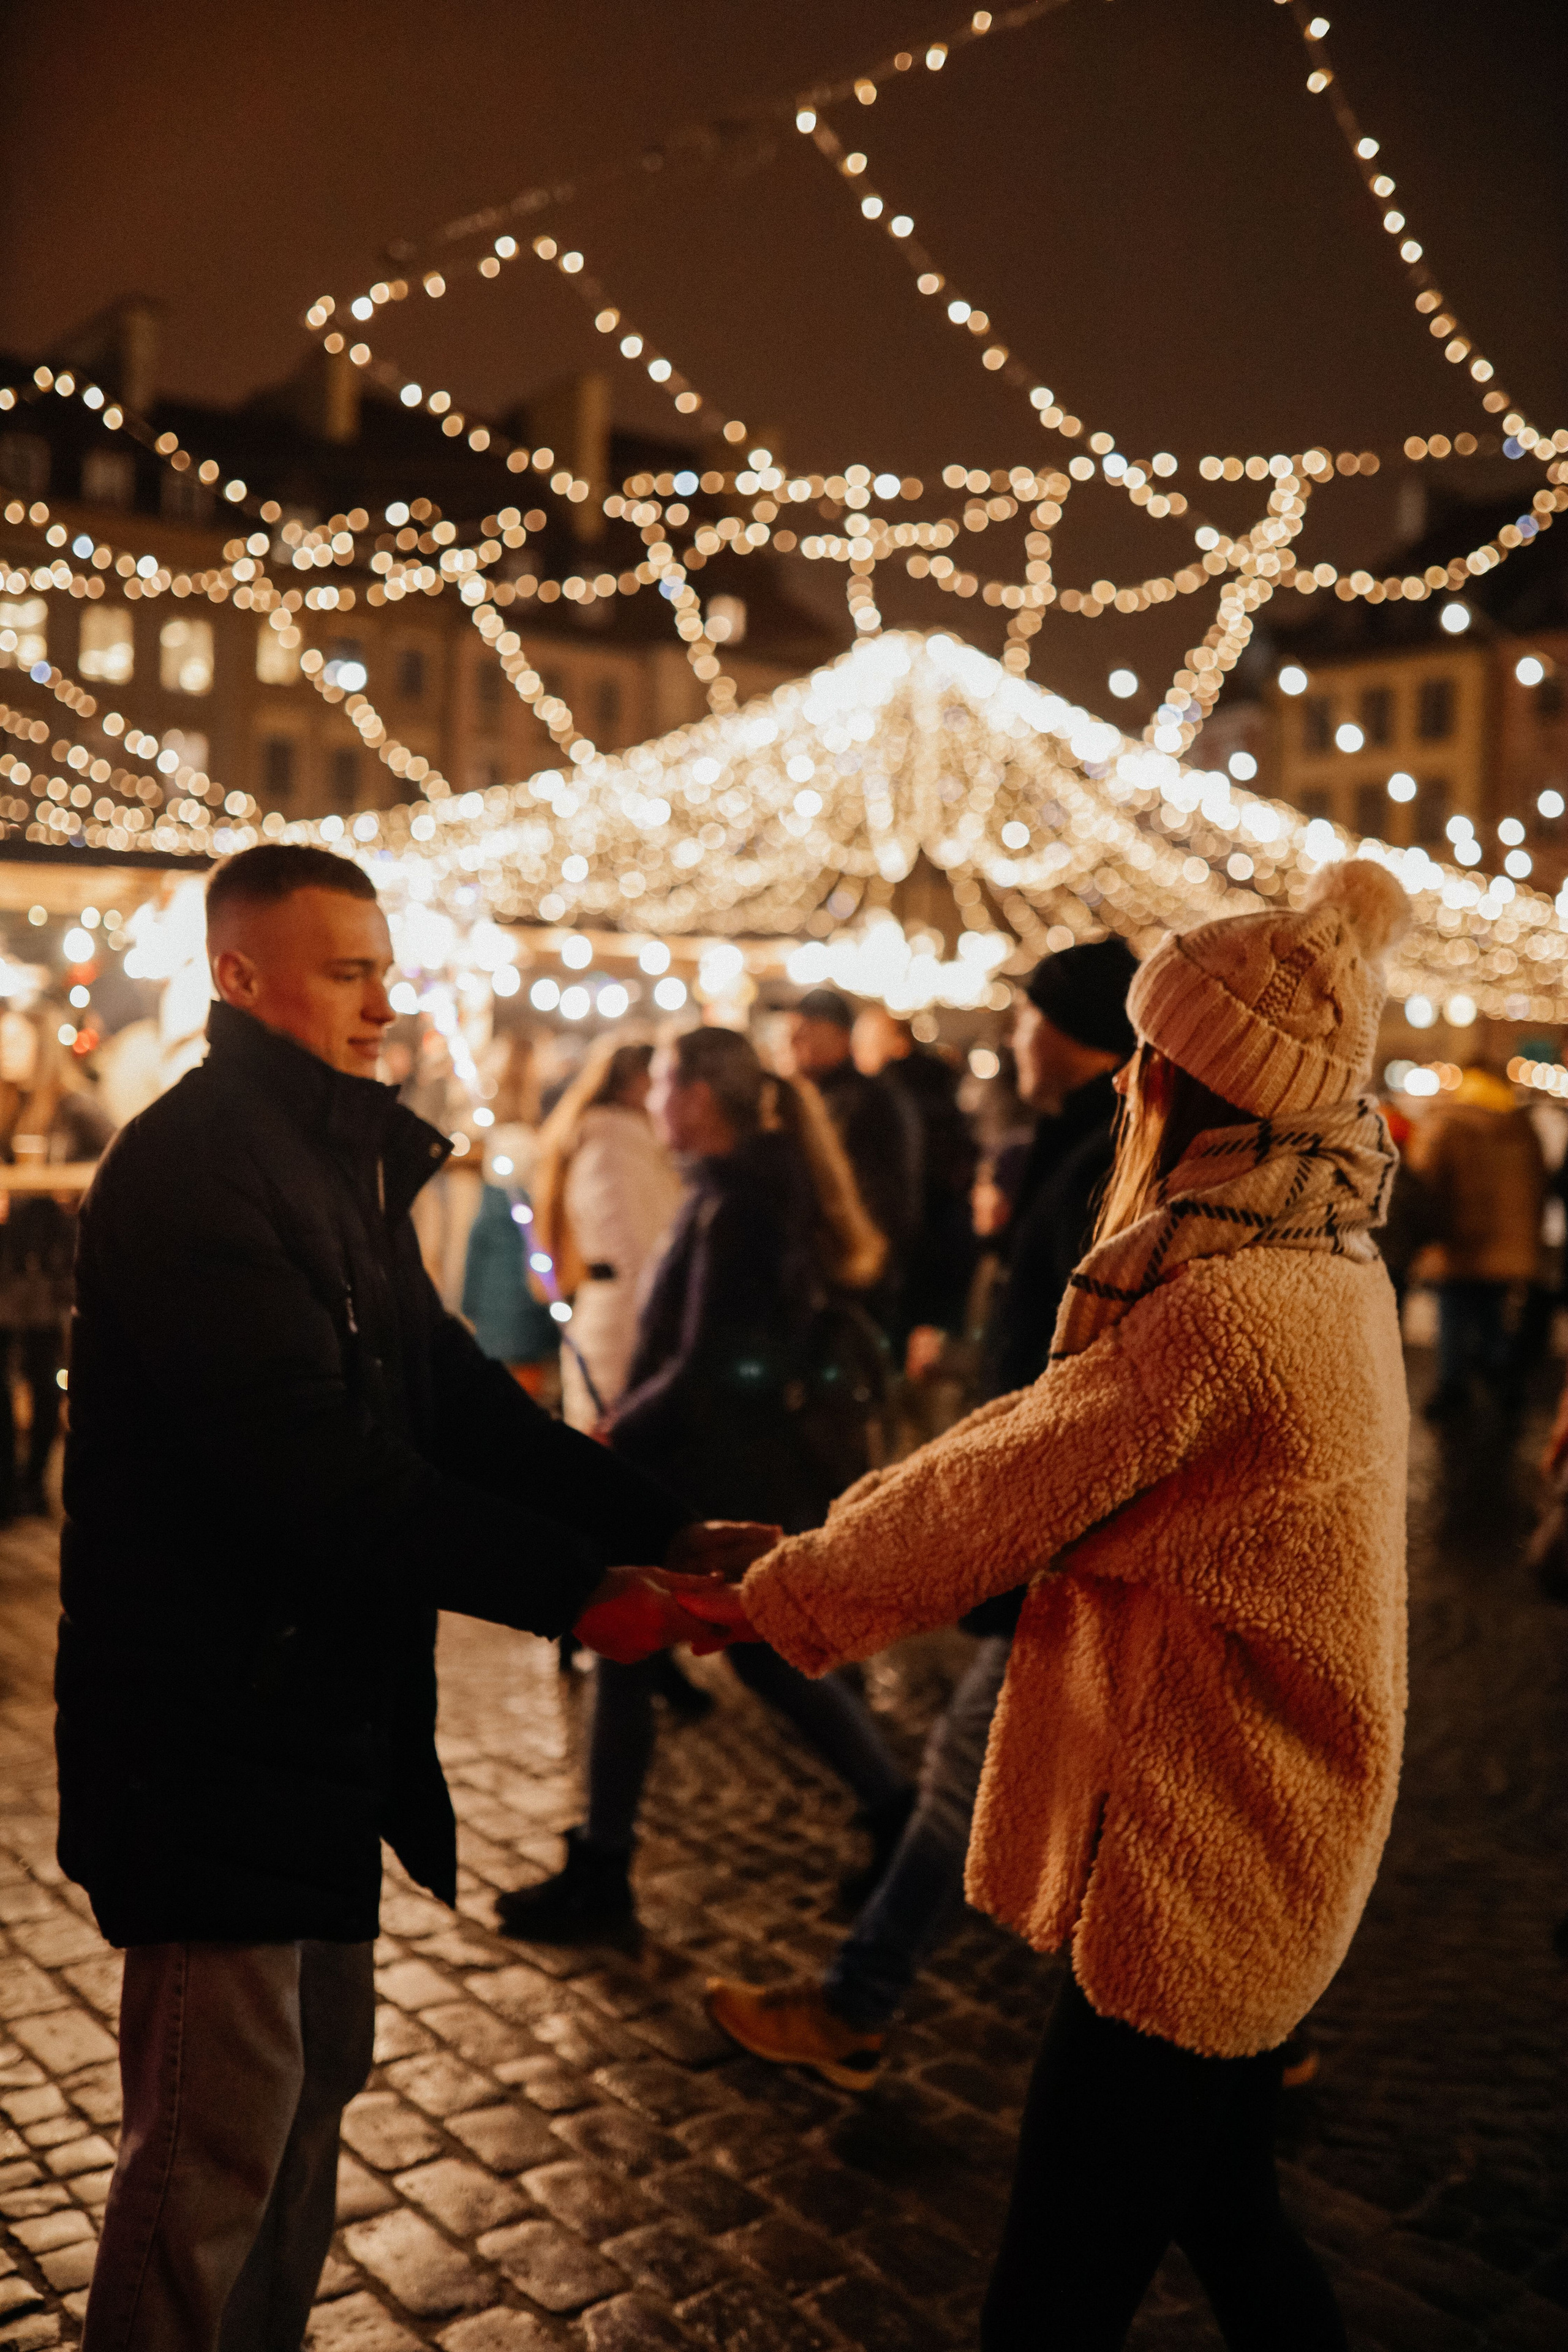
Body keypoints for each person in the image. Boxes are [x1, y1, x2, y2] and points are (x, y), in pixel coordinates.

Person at [690, 863, 1412, 2351]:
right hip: (1278, 1815)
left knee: (1054, 2289)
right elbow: (1023, 1436)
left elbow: (993, 1487)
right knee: (1224, 2211)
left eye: (1153, 1050)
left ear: (1182, 1083)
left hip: (1204, 1848)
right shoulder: (1324, 1258)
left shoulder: (1220, 1306)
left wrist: (778, 1592)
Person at [58, 843, 761, 2352]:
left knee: (311, 2102)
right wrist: (580, 1592)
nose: (384, 998)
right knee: (208, 2152)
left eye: (384, 963)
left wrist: (664, 1527)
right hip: (207, 1730)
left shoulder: (334, 1154)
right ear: (239, 976)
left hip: (316, 1721)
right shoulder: (194, 1166)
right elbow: (316, 1471)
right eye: (344, 968)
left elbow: (446, 1396)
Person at [707, 935, 1137, 2081]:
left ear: (1068, 1029)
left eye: (1027, 1019)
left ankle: (858, 2004)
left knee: (966, 1771)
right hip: (1066, 1526)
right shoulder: (1084, 1143)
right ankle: (1263, 2045)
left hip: (1066, 1531)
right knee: (1078, 1788)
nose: (1009, 1038)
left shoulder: (1107, 1157)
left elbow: (1077, 1383)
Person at [496, 1023, 916, 1942]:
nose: (651, 1104)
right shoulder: (735, 1191)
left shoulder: (740, 1207)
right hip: (720, 1467)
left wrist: (614, 1435)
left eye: (663, 1087)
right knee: (733, 1661)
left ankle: (608, 1871)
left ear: (698, 1098)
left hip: (708, 1477)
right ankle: (891, 1812)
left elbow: (707, 1365)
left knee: (647, 1653)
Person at [530, 1037, 684, 1431]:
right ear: (636, 1083)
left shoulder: (619, 1143)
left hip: (616, 1319)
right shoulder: (614, 1145)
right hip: (623, 1329)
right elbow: (633, 1250)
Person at [1404, 1061, 1545, 1417]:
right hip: (1508, 1249)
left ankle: (1453, 1389)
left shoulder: (1450, 1126)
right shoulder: (1522, 1127)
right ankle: (1504, 1384)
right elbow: (1538, 1188)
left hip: (1458, 1244)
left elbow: (1428, 1182)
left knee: (1452, 1318)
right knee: (1493, 1315)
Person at [781, 987, 921, 1328]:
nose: (796, 1038)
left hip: (857, 1274)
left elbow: (890, 1197)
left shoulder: (871, 1102)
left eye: (810, 1027)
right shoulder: (803, 1099)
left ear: (842, 1036)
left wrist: (870, 1260)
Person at [853, 1005, 978, 1362]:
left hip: (915, 1247)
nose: (860, 1050)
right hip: (946, 1240)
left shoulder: (888, 1099)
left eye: (867, 1039)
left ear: (896, 1043)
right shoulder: (939, 1087)